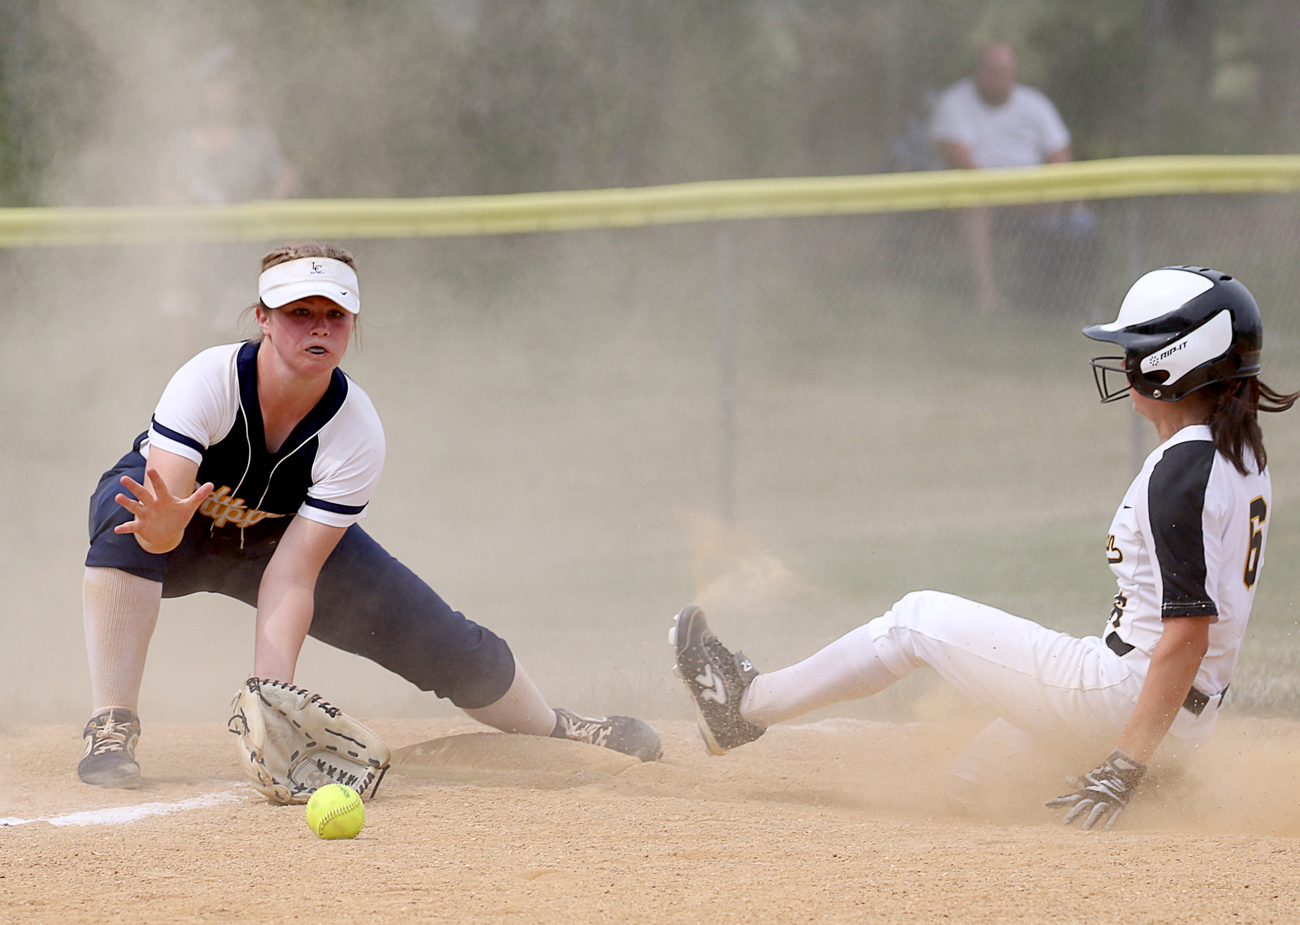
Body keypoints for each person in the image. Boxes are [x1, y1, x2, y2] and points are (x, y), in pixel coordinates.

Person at [671, 266, 1295, 830]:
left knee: (916, 619)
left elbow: (1186, 634)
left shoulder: (1180, 470)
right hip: (1182, 715)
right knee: (974, 787)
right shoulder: (1241, 452)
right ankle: (1163, 786)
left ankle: (745, 707)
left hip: (1123, 695)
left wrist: (1126, 762)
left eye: (1136, 351)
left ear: (1176, 363)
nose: (1126, 364)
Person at [78, 242, 661, 790]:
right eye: (299, 312)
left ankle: (556, 727)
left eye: (336, 314)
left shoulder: (355, 429)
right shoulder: (210, 380)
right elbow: (162, 511)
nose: (319, 327)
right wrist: (159, 532)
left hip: (274, 543)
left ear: (352, 324)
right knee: (125, 515)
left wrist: (271, 697)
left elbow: (292, 576)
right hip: (179, 528)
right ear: (263, 318)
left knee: (444, 639)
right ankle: (111, 724)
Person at [157, 46, 299, 361]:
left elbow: (284, 182)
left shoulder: (259, 141)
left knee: (237, 359)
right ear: (200, 90)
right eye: (213, 83)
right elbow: (165, 191)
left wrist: (264, 209)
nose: (221, 92)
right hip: (189, 260)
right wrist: (184, 203)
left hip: (240, 263)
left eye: (229, 83)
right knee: (184, 360)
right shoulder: (180, 143)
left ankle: (236, 411)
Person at [929, 43, 1087, 313]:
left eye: (1007, 71)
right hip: (982, 196)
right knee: (972, 207)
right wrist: (1008, 196)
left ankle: (1069, 296)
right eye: (994, 71)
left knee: (1077, 210)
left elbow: (1060, 156)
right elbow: (959, 160)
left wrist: (1048, 192)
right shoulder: (954, 103)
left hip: (1034, 196)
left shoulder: (1035, 103)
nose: (1002, 78)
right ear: (978, 72)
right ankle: (987, 295)